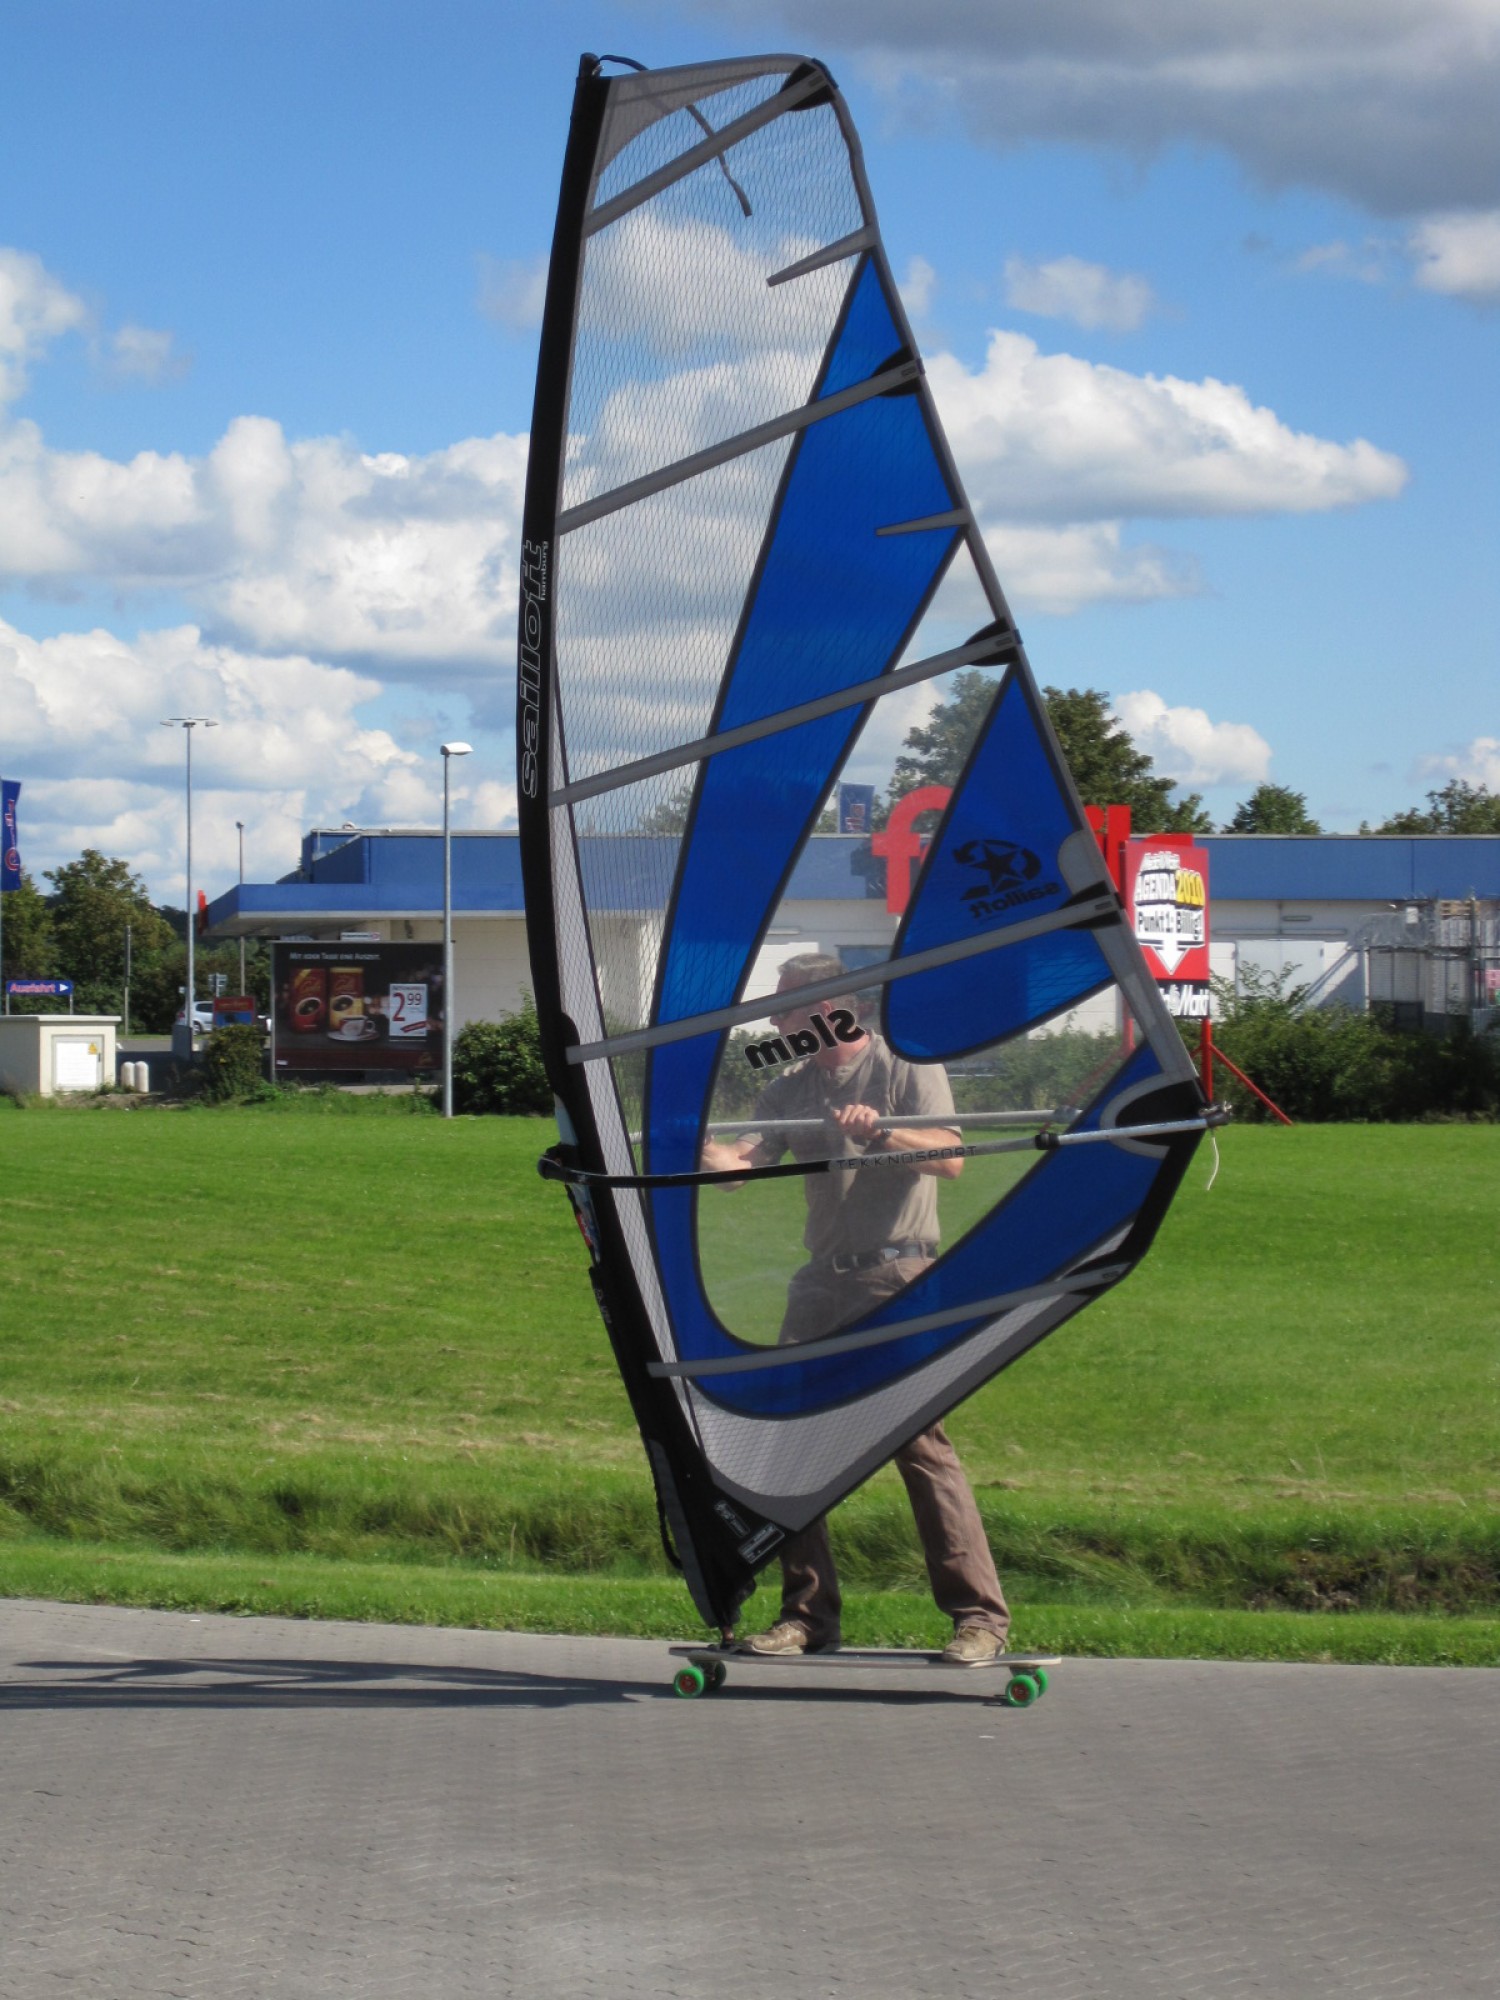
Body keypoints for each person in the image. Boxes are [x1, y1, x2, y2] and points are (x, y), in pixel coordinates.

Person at [700, 952, 1011, 1665]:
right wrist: (702, 1146)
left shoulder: (906, 1066)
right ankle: (807, 1616)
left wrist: (879, 1132)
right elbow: (741, 1172)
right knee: (788, 1442)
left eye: (784, 1009)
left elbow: (950, 1156)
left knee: (919, 1444)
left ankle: (979, 1619)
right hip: (819, 1285)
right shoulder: (788, 1087)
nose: (775, 1022)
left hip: (896, 1276)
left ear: (828, 1009)